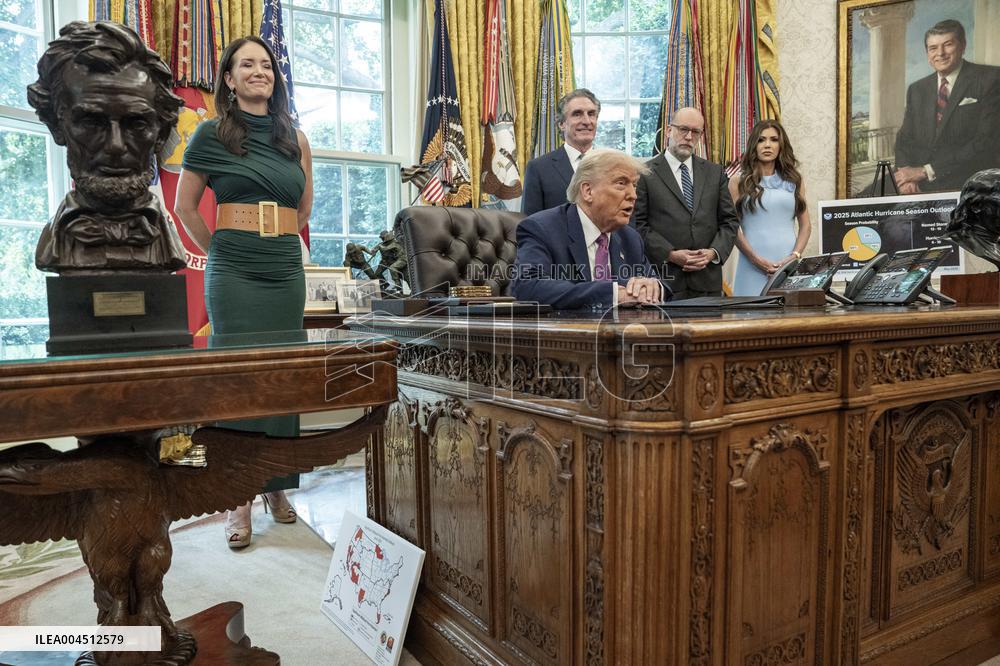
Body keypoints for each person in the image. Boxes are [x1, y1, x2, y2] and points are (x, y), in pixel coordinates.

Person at [174, 36, 314, 549]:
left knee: (282, 376)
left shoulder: (295, 138)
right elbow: (186, 207)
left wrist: (275, 236)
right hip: (233, 269)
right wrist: (221, 251)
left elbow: (303, 210)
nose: (260, 71)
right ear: (228, 80)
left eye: (266, 65)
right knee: (238, 378)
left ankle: (276, 484)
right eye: (246, 65)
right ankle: (238, 495)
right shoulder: (211, 134)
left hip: (282, 268)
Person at [27, 21, 186, 273]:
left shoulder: (171, 245)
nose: (115, 145)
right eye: (91, 122)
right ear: (57, 126)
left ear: (161, 133)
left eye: (136, 124)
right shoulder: (53, 247)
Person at [512, 149, 669, 309]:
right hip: (567, 331)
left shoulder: (630, 238)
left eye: (634, 185)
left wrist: (652, 286)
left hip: (620, 331)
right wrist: (614, 295)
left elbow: (661, 284)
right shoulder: (542, 228)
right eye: (621, 184)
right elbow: (527, 287)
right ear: (588, 191)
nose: (633, 195)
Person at [631, 107, 740, 299]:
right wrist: (670, 254)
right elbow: (638, 225)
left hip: (707, 281)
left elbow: (729, 222)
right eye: (683, 129)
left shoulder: (715, 173)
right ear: (668, 130)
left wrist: (713, 253)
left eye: (695, 132)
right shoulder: (644, 173)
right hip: (663, 281)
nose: (689, 137)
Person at [894, 19, 1000, 194]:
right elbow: (904, 139)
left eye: (948, 44)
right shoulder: (917, 89)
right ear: (927, 53)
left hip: (968, 179)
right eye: (933, 48)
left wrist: (925, 171)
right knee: (864, 202)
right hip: (917, 179)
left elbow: (985, 142)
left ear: (963, 46)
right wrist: (905, 176)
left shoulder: (991, 79)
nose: (940, 53)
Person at [730, 120, 811, 296]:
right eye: (761, 140)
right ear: (754, 145)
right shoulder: (738, 182)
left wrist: (794, 256)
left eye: (774, 139)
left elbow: (805, 225)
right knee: (749, 318)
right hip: (751, 266)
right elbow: (732, 227)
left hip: (788, 266)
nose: (767, 145)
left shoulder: (795, 181)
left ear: (781, 145)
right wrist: (755, 259)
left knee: (790, 319)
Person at [521, 88, 601, 215]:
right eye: (577, 114)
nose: (586, 121)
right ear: (562, 123)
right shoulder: (539, 168)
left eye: (591, 114)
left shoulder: (612, 165)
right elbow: (530, 224)